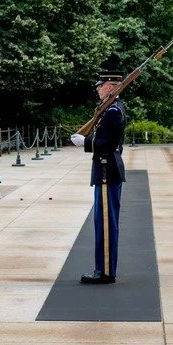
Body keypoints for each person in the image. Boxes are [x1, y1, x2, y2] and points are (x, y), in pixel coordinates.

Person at [70, 70, 127, 284]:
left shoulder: (113, 110)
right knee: (104, 221)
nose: (97, 88)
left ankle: (104, 272)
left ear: (111, 87)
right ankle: (104, 268)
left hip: (106, 171)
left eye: (101, 85)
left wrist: (84, 143)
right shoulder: (110, 109)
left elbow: (108, 144)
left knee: (105, 223)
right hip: (107, 170)